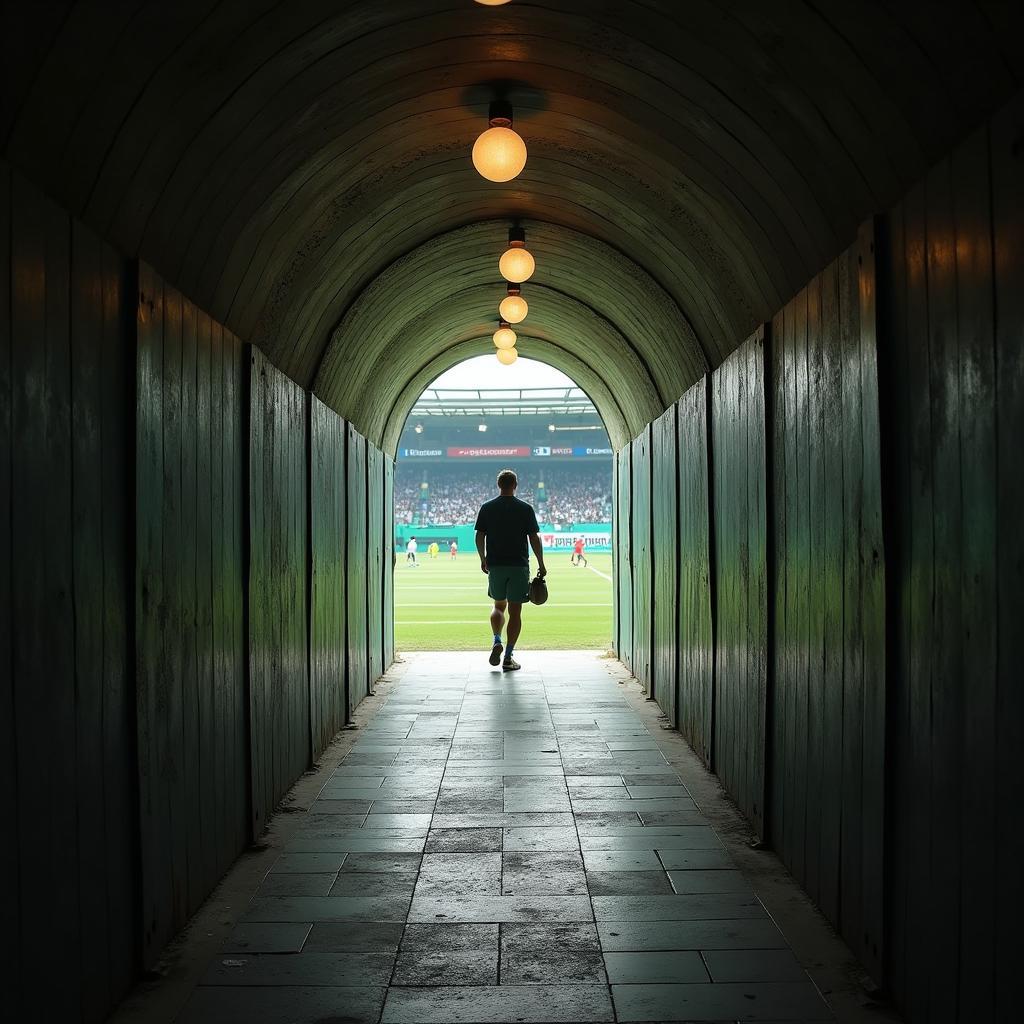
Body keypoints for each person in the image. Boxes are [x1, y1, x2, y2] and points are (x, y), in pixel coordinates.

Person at [475, 469, 547, 672]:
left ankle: (496, 639)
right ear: (515, 485)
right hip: (519, 566)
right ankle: (508, 657)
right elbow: (534, 538)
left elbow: (479, 536)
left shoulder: (487, 508)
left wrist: (483, 559)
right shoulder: (525, 509)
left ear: (499, 485)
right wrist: (541, 563)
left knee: (498, 606)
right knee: (515, 612)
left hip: (496, 565)